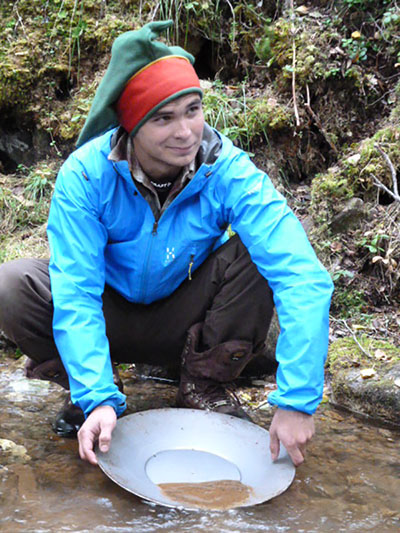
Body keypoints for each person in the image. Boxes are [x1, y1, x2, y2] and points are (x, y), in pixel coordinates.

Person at [0, 21, 333, 468]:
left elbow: (302, 276)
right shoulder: (86, 175)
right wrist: (97, 396)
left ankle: (203, 384)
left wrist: (297, 399)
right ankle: (91, 391)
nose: (185, 132)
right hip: (109, 313)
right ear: (131, 124)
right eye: (163, 118)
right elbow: (77, 293)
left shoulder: (228, 171)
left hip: (186, 316)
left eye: (193, 110)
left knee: (259, 255)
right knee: (11, 283)